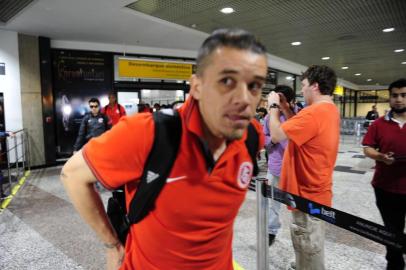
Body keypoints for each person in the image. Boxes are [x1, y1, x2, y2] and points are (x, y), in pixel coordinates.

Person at [60, 28, 267, 270]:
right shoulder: (147, 134)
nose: (243, 99)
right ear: (197, 86)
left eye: (254, 85)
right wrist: (112, 244)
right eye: (227, 81)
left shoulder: (252, 135)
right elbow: (72, 175)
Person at [268, 65, 340, 270]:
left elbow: (277, 135)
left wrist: (273, 107)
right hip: (316, 190)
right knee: (309, 240)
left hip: (307, 194)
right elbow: (298, 130)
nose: (302, 90)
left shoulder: (314, 112)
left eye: (305, 85)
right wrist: (284, 108)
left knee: (308, 241)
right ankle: (304, 264)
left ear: (315, 86)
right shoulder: (327, 109)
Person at [362, 78, 406, 270]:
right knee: (392, 231)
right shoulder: (378, 124)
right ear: (389, 98)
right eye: (395, 95)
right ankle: (395, 265)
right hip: (386, 187)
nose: (399, 99)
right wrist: (380, 156)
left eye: (404, 95)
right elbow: (367, 148)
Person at [263, 85, 295, 246]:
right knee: (273, 201)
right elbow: (265, 139)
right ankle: (271, 231)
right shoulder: (269, 118)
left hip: (294, 169)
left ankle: (298, 234)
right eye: (276, 97)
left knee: (297, 205)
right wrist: (272, 140)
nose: (277, 101)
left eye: (281, 98)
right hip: (275, 166)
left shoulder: (297, 116)